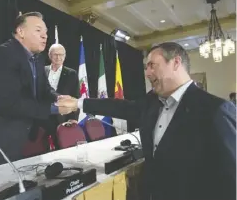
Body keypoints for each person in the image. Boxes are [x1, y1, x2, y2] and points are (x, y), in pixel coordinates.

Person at [56, 42, 236, 200]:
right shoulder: (151, 101)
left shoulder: (215, 110)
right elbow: (120, 107)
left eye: (152, 65)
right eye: (146, 67)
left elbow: (232, 179)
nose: (147, 72)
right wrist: (78, 103)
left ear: (175, 63)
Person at [0, 12, 75, 165]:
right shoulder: (4, 54)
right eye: (38, 31)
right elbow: (8, 103)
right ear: (21, 32)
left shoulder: (38, 59)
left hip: (33, 135)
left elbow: (45, 89)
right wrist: (54, 109)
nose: (45, 36)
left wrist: (58, 98)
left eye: (46, 33)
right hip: (7, 137)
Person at [44, 43, 80, 148]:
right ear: (50, 55)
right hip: (42, 115)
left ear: (65, 56)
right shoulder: (42, 71)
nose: (58, 57)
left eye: (61, 54)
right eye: (55, 54)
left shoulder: (71, 73)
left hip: (62, 117)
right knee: (42, 146)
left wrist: (73, 117)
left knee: (60, 146)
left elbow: (75, 96)